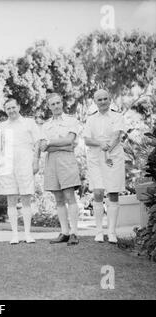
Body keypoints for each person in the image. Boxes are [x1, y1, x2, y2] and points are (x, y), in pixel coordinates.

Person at [83, 89, 126, 243]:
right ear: (95, 102)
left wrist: (108, 148)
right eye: (99, 99)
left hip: (113, 157)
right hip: (95, 158)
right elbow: (87, 140)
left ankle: (112, 232)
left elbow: (116, 136)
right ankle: (99, 231)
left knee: (113, 192)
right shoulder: (91, 119)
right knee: (98, 192)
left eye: (105, 99)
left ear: (110, 99)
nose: (102, 102)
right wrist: (100, 143)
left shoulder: (117, 116)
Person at [0, 98, 41, 244]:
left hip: (25, 161)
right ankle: (15, 234)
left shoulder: (29, 123)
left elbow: (38, 143)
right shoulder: (2, 126)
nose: (11, 111)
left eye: (13, 107)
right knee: (11, 200)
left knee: (26, 197)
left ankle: (27, 234)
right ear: (5, 110)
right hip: (7, 164)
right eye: (8, 108)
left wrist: (36, 161)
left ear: (19, 106)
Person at [40, 93, 81, 246]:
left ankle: (75, 233)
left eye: (58, 103)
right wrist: (62, 144)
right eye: (53, 104)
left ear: (62, 103)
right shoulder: (45, 125)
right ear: (49, 106)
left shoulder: (72, 121)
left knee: (69, 196)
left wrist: (51, 143)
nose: (56, 106)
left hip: (67, 160)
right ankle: (64, 232)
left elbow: (70, 141)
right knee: (58, 199)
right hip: (52, 162)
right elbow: (43, 147)